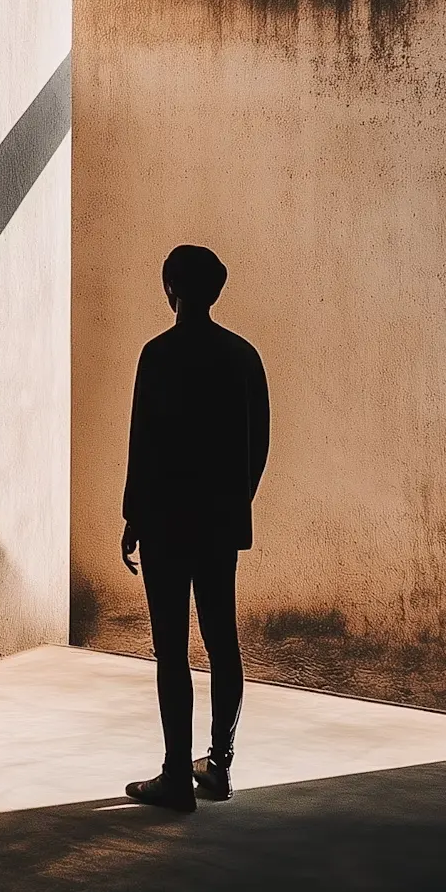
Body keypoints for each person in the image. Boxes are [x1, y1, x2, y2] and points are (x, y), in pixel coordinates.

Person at [121, 244, 270, 811]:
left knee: (171, 651)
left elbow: (145, 444)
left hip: (164, 522)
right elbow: (258, 446)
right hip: (217, 524)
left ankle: (175, 775)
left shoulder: (157, 356)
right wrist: (234, 504)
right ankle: (220, 766)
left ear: (171, 291)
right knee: (222, 643)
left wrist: (134, 516)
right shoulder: (242, 357)